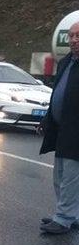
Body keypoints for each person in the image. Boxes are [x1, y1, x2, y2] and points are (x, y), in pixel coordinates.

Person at [39, 20, 79, 234]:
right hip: (61, 130)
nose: (73, 40)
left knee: (71, 178)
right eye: (71, 36)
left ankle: (63, 218)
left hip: (76, 132)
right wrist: (47, 119)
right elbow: (57, 94)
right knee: (61, 175)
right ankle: (72, 215)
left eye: (78, 36)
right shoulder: (66, 63)